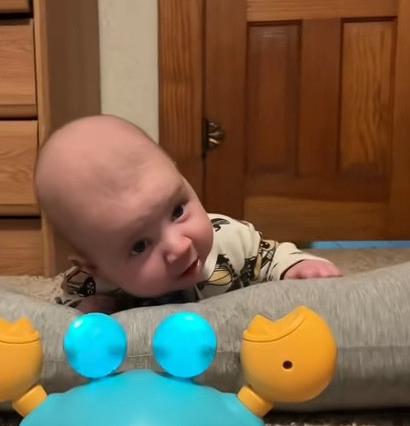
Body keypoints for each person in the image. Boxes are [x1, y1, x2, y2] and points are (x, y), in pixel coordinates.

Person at [34, 115, 341, 313]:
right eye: (140, 245)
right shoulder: (89, 284)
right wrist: (90, 309)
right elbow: (61, 315)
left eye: (177, 210)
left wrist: (296, 266)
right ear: (95, 267)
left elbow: (270, 257)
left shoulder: (229, 239)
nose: (180, 246)